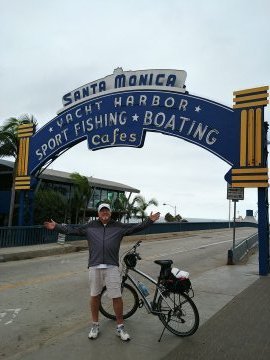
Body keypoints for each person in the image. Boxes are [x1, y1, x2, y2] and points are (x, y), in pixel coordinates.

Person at [44, 203, 160, 341]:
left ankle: (120, 327)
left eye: (107, 211)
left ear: (110, 213)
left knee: (116, 297)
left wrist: (149, 221)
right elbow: (72, 229)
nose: (104, 213)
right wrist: (56, 227)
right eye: (102, 211)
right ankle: (95, 325)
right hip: (95, 266)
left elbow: (135, 228)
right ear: (98, 214)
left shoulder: (118, 226)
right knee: (95, 296)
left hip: (111, 266)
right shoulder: (90, 226)